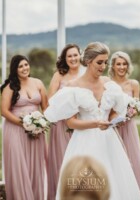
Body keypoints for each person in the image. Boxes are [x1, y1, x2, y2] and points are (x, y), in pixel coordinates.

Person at [45, 41, 140, 200]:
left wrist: (113, 119)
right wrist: (95, 124)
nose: (103, 66)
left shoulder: (107, 83)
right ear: (88, 61)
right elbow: (70, 123)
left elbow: (114, 111)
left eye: (105, 62)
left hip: (109, 141)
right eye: (99, 62)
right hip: (84, 141)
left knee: (115, 181)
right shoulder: (73, 86)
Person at [0, 55, 48, 199]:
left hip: (37, 131)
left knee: (35, 165)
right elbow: (4, 111)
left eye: (26, 65)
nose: (24, 68)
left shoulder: (38, 83)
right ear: (15, 69)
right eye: (20, 66)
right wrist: (25, 124)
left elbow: (45, 108)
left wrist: (41, 124)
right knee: (19, 166)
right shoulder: (10, 87)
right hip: (15, 130)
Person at [47, 43, 86, 199]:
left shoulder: (86, 74)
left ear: (80, 55)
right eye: (69, 56)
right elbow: (50, 99)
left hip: (82, 124)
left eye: (75, 55)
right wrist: (67, 110)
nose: (73, 58)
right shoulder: (59, 75)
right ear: (65, 59)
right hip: (62, 126)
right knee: (62, 160)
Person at [108, 51, 140, 200]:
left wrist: (128, 115)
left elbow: (136, 107)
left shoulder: (134, 84)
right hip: (113, 128)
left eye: (124, 64)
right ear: (113, 65)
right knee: (115, 161)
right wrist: (115, 118)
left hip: (129, 127)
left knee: (133, 160)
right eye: (118, 64)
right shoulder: (107, 84)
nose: (121, 67)